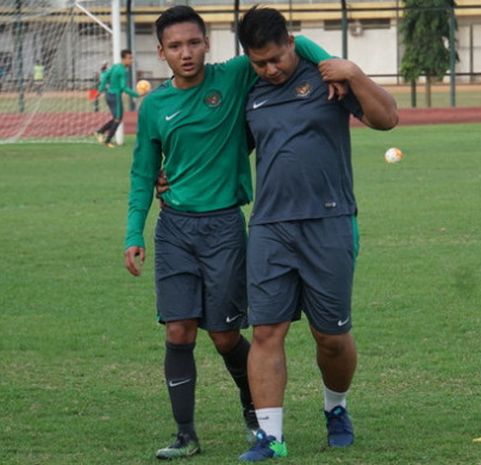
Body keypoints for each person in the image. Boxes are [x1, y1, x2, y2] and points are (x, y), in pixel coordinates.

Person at [123, 5, 333, 460]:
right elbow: (143, 174)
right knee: (178, 330)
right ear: (161, 52)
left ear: (207, 44)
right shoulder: (155, 106)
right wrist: (132, 233)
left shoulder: (233, 77)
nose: (186, 53)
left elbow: (292, 45)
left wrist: (338, 64)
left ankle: (253, 410)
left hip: (223, 227)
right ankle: (185, 435)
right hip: (175, 228)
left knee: (222, 335)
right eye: (175, 46)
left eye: (193, 43)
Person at [235, 7, 398, 462]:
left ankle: (336, 408)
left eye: (275, 59)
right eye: (258, 62)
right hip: (269, 227)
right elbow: (222, 148)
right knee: (266, 331)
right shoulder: (249, 91)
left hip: (329, 222)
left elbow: (387, 118)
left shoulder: (328, 77)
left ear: (291, 42)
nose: (269, 69)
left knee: (331, 337)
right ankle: (270, 437)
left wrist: (355, 72)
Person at [94, 50, 140, 148]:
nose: (131, 60)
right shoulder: (123, 70)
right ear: (123, 59)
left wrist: (100, 90)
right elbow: (123, 87)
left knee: (117, 118)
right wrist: (137, 94)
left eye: (132, 58)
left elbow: (105, 76)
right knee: (118, 118)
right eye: (129, 58)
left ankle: (100, 132)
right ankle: (107, 140)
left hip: (109, 95)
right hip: (115, 97)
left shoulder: (115, 66)